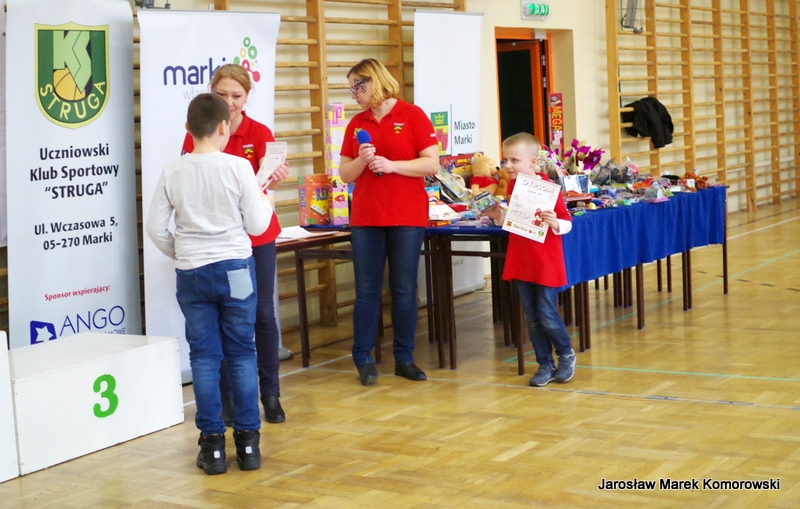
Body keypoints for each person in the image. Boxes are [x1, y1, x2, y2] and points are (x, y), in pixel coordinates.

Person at [146, 93, 271, 474]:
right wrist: (266, 200)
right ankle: (248, 445)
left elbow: (155, 227)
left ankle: (213, 447)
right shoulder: (238, 167)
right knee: (242, 353)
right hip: (235, 269)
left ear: (188, 128)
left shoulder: (172, 170)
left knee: (203, 357)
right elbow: (257, 226)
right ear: (224, 126)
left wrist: (181, 252)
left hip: (193, 271)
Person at [182, 64, 289, 424]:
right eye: (222, 94)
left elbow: (265, 185)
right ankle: (227, 399)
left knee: (261, 315)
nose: (229, 102)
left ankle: (270, 393)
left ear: (247, 97)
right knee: (223, 321)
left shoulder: (259, 133)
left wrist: (273, 182)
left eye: (237, 95)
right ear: (211, 92)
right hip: (220, 243)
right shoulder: (198, 132)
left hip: (256, 238)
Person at [338, 59, 440, 386]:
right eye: (351, 87)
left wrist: (393, 165)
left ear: (375, 82)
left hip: (406, 215)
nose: (354, 93)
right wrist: (362, 159)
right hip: (367, 216)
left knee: (404, 289)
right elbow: (345, 174)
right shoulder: (357, 123)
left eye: (358, 86)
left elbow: (432, 164)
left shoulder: (412, 115)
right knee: (367, 291)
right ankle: (363, 357)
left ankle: (404, 358)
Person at [483, 133, 576, 387]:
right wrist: (498, 216)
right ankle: (545, 364)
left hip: (545, 261)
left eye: (514, 160)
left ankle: (566, 354)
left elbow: (567, 222)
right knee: (532, 317)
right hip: (522, 259)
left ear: (533, 162)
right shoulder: (513, 187)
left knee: (547, 314)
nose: (508, 165)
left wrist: (555, 222)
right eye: (505, 160)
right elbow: (515, 221)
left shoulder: (548, 189)